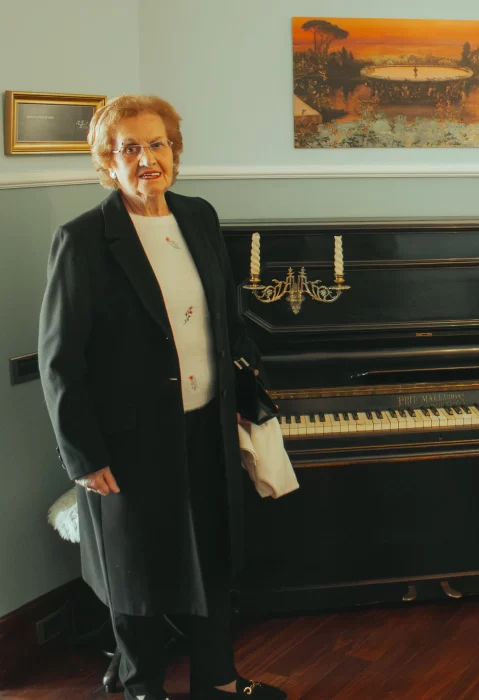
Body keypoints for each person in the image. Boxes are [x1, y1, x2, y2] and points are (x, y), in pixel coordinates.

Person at [37, 94, 286, 700]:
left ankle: (218, 682)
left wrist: (241, 391)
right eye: (130, 148)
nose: (147, 159)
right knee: (135, 576)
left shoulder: (199, 216)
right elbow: (60, 358)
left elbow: (227, 316)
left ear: (174, 150)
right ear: (107, 161)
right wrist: (83, 455)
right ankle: (143, 688)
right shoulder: (84, 239)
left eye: (158, 144)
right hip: (126, 443)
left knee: (215, 561)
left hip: (205, 426)